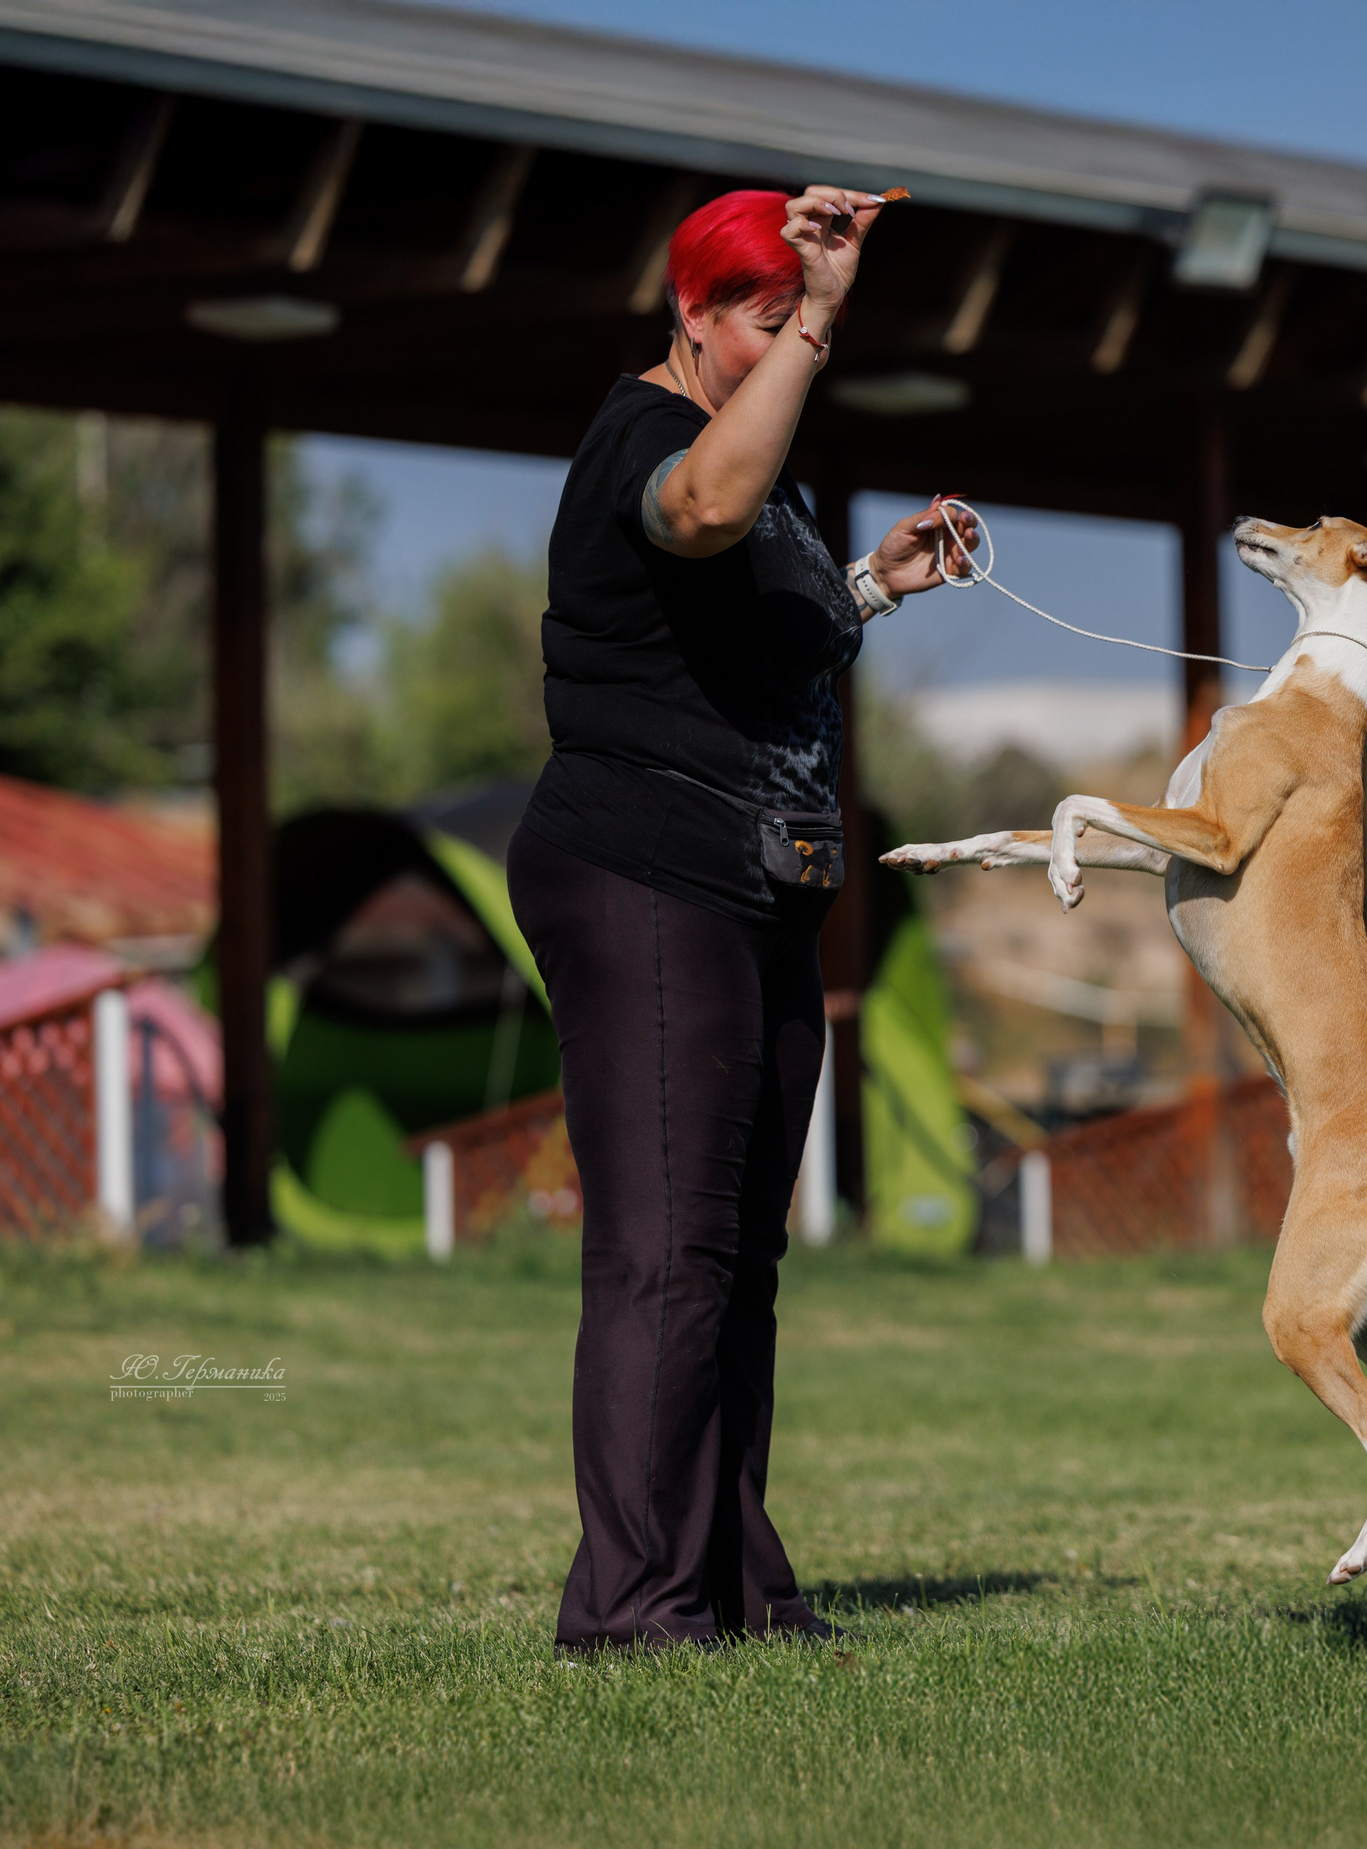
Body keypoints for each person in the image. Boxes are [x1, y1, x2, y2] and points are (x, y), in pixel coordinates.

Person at [508, 186, 971, 1653]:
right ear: (693, 316)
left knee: (735, 1258)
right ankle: (635, 1612)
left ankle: (733, 1583)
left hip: (760, 884)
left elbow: (735, 620)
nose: (789, 355)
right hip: (645, 871)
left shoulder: (751, 453)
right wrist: (825, 312)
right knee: (664, 1251)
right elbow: (700, 514)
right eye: (766, 328)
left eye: (799, 330)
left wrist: (870, 588)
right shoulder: (646, 442)